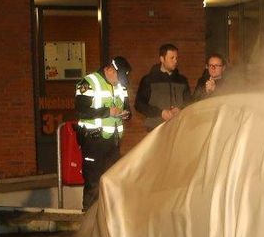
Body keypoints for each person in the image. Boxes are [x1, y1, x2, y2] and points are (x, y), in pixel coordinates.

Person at [75, 56, 131, 211]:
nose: (119, 83)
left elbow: (127, 108)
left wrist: (126, 113)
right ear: (110, 70)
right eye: (118, 79)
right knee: (93, 182)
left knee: (112, 181)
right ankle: (90, 219)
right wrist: (107, 112)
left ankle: (108, 216)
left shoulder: (121, 85)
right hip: (93, 141)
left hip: (113, 142)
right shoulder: (89, 82)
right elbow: (81, 110)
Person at [133, 43, 191, 131]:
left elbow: (189, 102)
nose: (175, 61)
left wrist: (181, 109)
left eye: (176, 58)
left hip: (178, 128)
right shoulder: (149, 79)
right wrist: (161, 113)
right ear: (162, 59)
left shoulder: (182, 80)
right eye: (172, 58)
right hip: (155, 129)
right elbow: (139, 105)